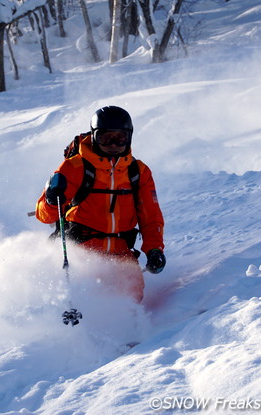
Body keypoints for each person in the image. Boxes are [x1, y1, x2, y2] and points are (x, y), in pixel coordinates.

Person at [35, 106, 166, 302]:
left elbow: (151, 217)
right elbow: (45, 216)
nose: (113, 145)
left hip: (121, 252)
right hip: (80, 249)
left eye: (119, 138)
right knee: (85, 295)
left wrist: (154, 249)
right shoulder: (75, 167)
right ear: (95, 137)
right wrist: (52, 199)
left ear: (129, 137)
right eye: (106, 138)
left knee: (131, 298)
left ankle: (132, 330)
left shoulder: (138, 172)